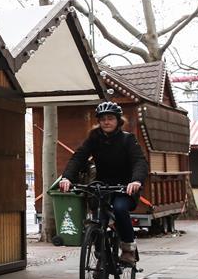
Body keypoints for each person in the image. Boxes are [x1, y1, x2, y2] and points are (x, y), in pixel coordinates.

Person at [58, 101, 148, 265]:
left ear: (118, 121)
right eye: (103, 119)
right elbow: (78, 158)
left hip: (124, 187)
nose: (106, 122)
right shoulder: (94, 139)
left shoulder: (128, 139)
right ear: (99, 121)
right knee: (98, 219)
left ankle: (128, 249)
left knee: (120, 209)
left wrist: (136, 180)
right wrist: (67, 178)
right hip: (101, 186)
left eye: (110, 118)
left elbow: (139, 161)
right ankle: (102, 256)